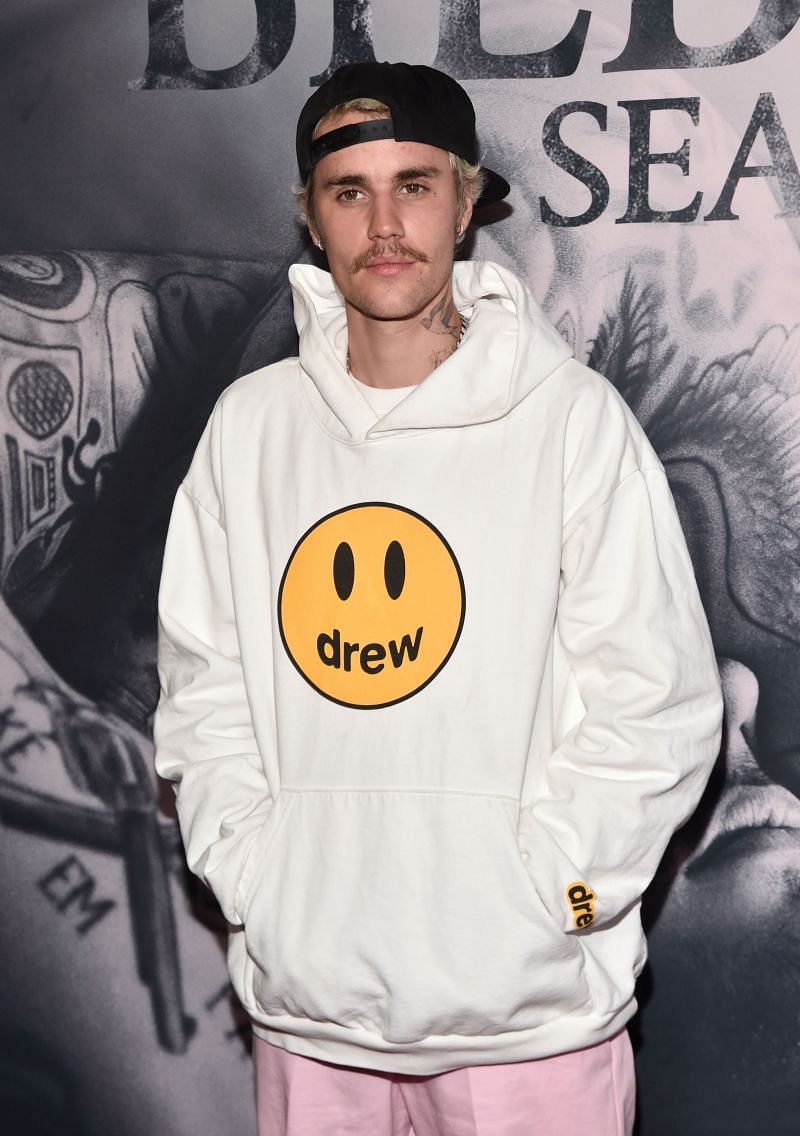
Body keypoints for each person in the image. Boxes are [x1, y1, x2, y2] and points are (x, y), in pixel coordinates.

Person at [154, 61, 723, 1136]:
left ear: (466, 201)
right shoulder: (250, 427)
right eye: (348, 190)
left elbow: (657, 702)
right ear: (308, 217)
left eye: (413, 184)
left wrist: (555, 900)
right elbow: (201, 687)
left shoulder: (569, 419)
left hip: (530, 1026)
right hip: (310, 1017)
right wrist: (260, 881)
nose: (383, 222)